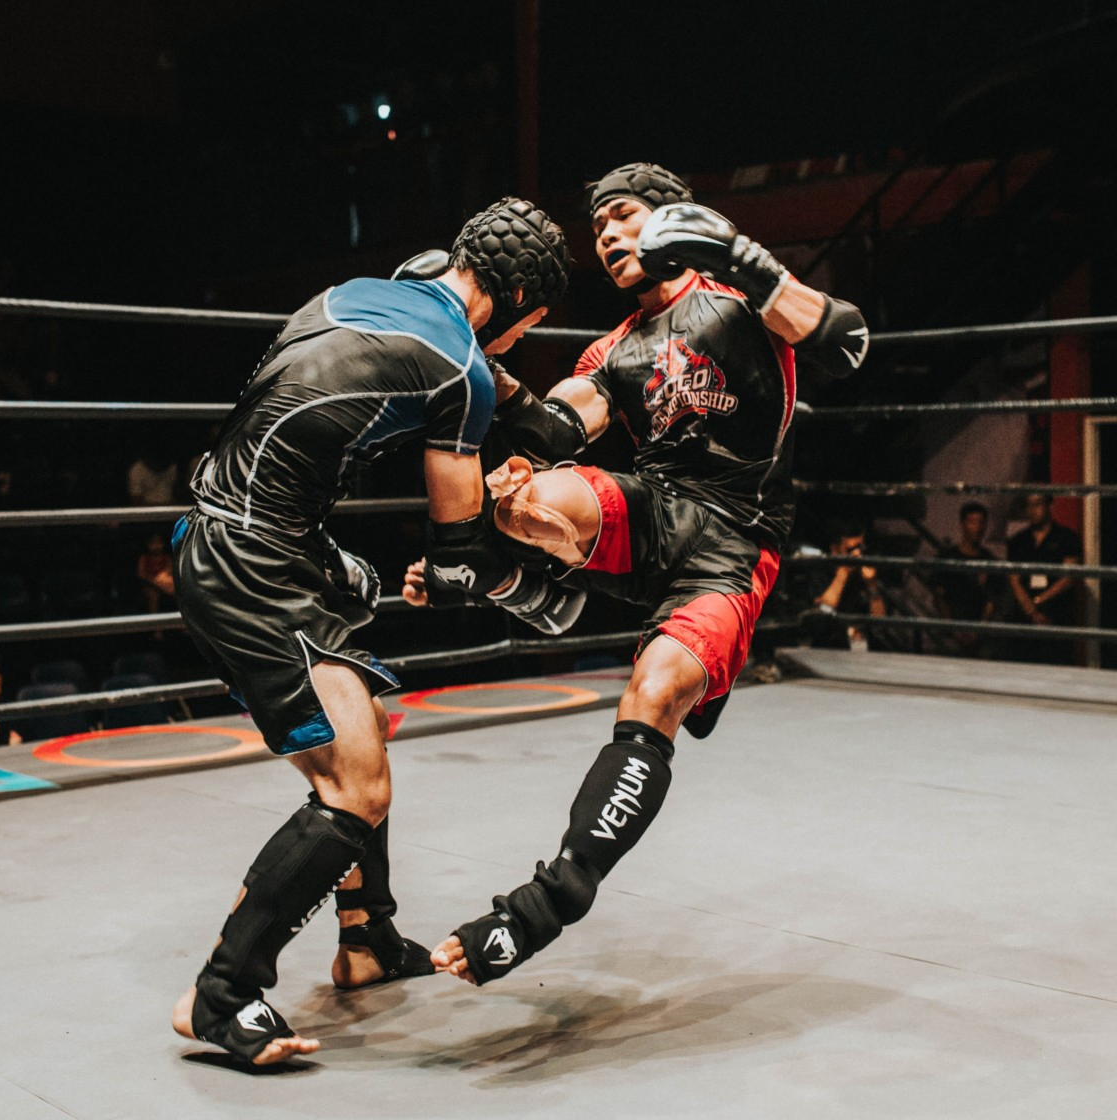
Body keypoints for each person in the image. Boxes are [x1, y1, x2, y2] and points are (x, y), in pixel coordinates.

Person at [406, 162, 869, 986]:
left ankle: (546, 903)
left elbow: (846, 342)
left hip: (733, 543)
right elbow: (556, 426)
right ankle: (519, 591)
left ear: (670, 217)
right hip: (654, 514)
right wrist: (473, 354)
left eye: (622, 215)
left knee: (653, 696)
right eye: (597, 228)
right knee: (522, 499)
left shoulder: (742, 302)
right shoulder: (614, 348)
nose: (608, 236)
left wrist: (742, 257)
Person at [169, 197, 570, 1065]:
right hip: (256, 561)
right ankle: (220, 995)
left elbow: (454, 350)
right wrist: (518, 582)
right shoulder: (459, 369)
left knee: (367, 727)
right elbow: (457, 554)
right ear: (522, 306)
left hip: (245, 535)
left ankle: (367, 940)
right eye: (527, 326)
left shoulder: (359, 292)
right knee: (356, 785)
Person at [1006, 491, 1082, 664]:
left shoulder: (1067, 537)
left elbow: (1069, 577)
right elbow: (1014, 580)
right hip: (1024, 619)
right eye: (1028, 506)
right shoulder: (1018, 541)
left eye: (1037, 504)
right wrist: (1032, 611)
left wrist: (1040, 600)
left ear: (1049, 505)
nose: (1032, 510)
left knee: (1058, 666)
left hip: (1058, 615)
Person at [805, 521, 887, 651]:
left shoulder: (864, 572)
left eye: (860, 548)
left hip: (859, 646)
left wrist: (872, 585)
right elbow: (822, 614)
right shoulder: (820, 571)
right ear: (834, 550)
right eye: (850, 550)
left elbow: (879, 621)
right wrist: (844, 571)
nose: (857, 554)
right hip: (828, 647)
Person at [932, 501, 998, 656]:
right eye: (972, 522)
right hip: (951, 633)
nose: (977, 528)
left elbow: (992, 601)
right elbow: (938, 596)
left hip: (980, 635)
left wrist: (979, 629)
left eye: (981, 522)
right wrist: (953, 628)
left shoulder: (989, 560)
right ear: (962, 524)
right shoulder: (947, 558)